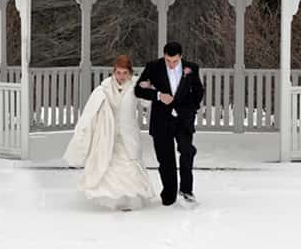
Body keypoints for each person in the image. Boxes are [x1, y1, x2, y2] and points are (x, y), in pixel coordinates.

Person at [64, 54, 158, 210]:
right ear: (114, 72)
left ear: (130, 73)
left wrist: (149, 88)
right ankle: (112, 200)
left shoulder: (136, 85)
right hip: (109, 134)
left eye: (125, 73)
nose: (121, 77)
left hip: (129, 134)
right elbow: (92, 110)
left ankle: (129, 199)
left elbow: (146, 103)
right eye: (118, 73)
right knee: (110, 165)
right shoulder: (105, 87)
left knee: (129, 165)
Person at [134, 41, 205, 207]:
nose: (171, 65)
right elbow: (138, 89)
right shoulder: (153, 66)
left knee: (187, 152)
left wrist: (190, 110)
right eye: (168, 61)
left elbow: (198, 91)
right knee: (165, 159)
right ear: (164, 56)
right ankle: (169, 193)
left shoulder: (191, 68)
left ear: (180, 57)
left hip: (183, 119)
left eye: (175, 61)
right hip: (161, 120)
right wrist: (158, 95)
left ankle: (186, 191)